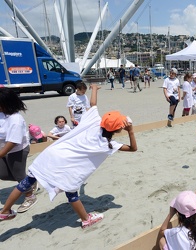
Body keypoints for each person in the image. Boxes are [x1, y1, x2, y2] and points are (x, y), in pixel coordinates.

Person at [0, 84, 138, 228]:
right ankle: (86, 219)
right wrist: (131, 131)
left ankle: (5, 210)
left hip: (51, 154)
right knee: (71, 191)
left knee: (26, 182)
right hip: (66, 164)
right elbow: (133, 148)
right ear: (117, 130)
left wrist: (95, 89)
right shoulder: (108, 144)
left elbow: (93, 104)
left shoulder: (93, 121)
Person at [0, 88, 38, 214]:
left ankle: (30, 196)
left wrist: (1, 154)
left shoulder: (15, 119)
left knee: (18, 175)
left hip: (16, 150)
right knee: (3, 174)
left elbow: (13, 142)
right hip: (3, 150)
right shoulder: (2, 113)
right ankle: (30, 180)